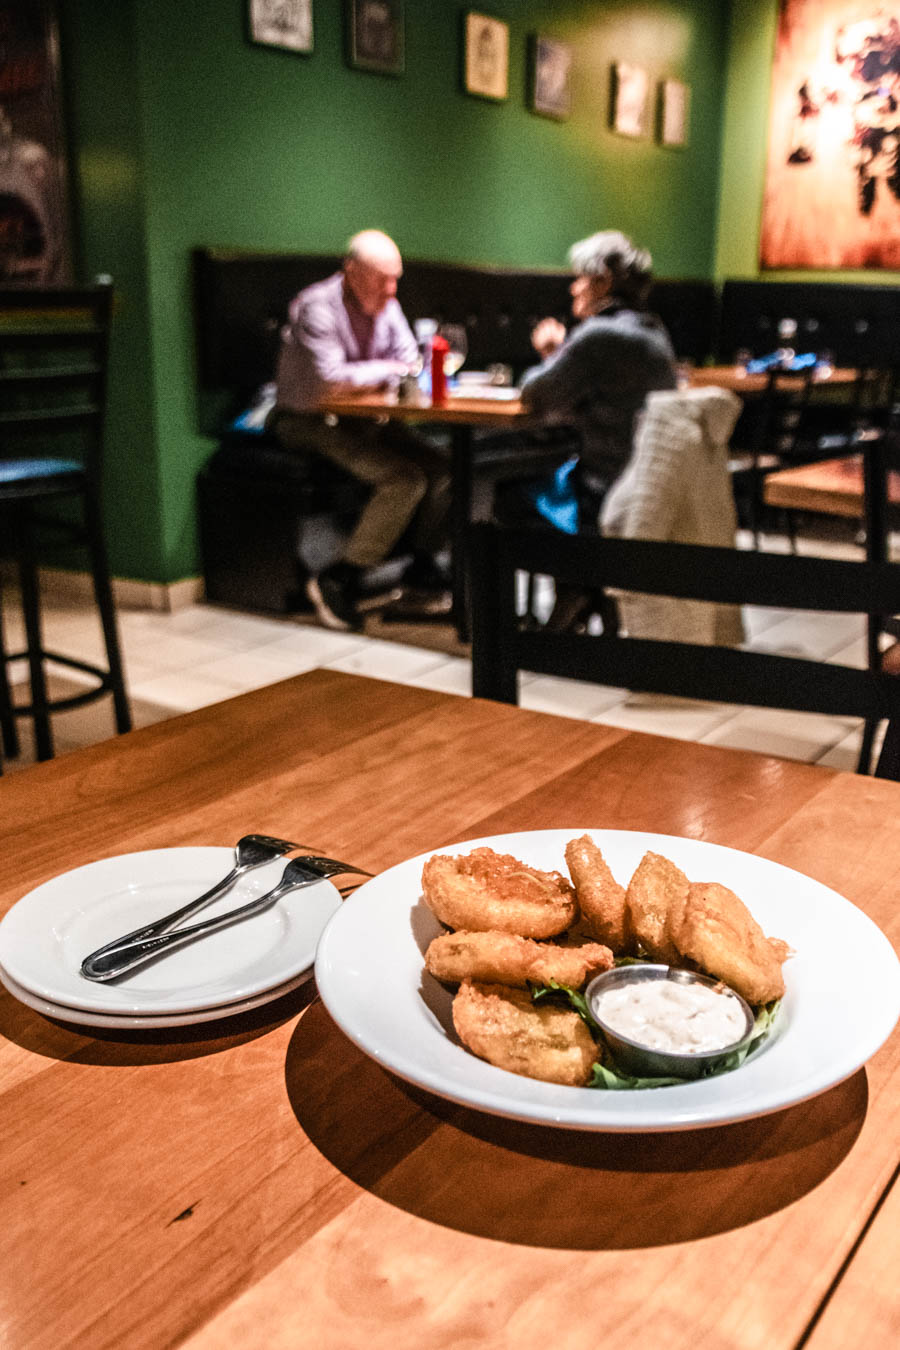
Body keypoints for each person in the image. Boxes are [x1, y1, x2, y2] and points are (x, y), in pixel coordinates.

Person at [269, 229, 451, 631]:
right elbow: (331, 380)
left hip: (364, 421)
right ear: (350, 271)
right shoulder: (317, 306)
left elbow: (411, 358)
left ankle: (420, 568)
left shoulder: (387, 303)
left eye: (395, 277)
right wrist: (387, 371)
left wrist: (378, 373)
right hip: (305, 421)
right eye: (381, 277)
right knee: (403, 479)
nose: (391, 288)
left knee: (442, 468)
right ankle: (339, 578)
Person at [514, 229, 677, 629]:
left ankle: (575, 588)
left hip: (602, 487)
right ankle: (581, 590)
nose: (574, 288)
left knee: (504, 496)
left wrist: (552, 350)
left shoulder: (601, 335)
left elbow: (536, 393)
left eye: (580, 278)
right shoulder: (651, 328)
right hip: (641, 479)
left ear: (603, 281)